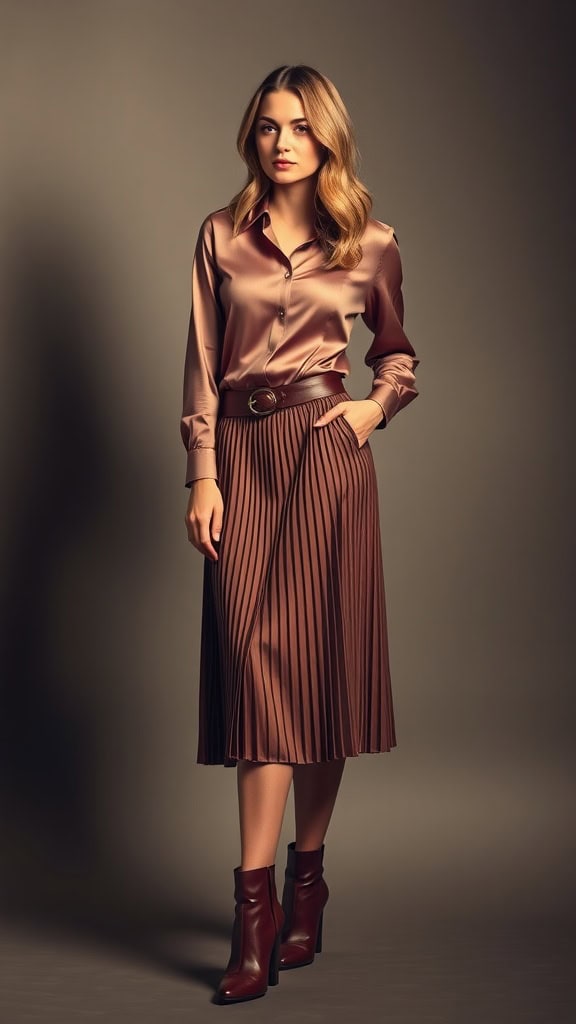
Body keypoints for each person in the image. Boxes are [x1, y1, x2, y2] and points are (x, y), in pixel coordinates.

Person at [180, 64, 419, 1005]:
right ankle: (265, 907)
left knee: (315, 672)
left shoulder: (371, 243)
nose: (282, 141)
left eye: (300, 127)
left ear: (327, 140)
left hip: (325, 458)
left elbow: (397, 353)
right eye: (269, 125)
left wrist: (374, 410)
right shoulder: (218, 238)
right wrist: (201, 473)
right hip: (241, 462)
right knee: (260, 665)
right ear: (255, 134)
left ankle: (296, 889)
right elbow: (201, 363)